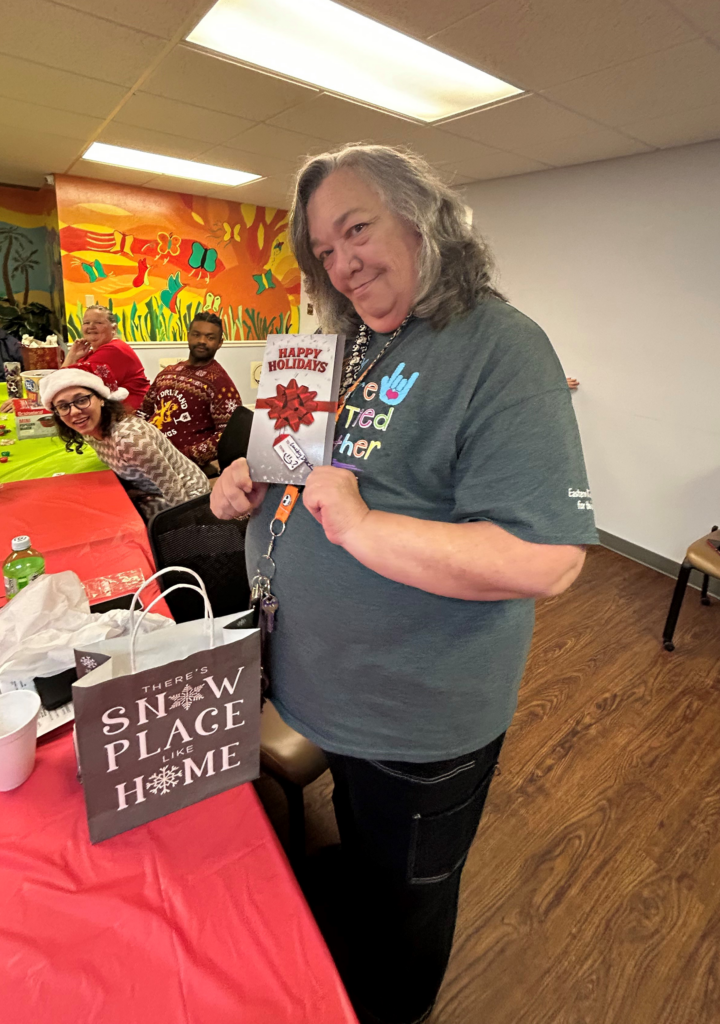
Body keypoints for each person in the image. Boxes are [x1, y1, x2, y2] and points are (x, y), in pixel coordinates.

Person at [210, 145, 599, 1024]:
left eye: (358, 229)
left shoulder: (500, 346)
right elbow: (290, 471)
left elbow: (547, 560)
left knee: (409, 901)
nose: (342, 263)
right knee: (364, 852)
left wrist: (361, 525)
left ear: (425, 222)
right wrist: (243, 480)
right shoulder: (333, 347)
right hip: (317, 689)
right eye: (325, 249)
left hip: (416, 721)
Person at [40, 366, 209, 522]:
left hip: (189, 496)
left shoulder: (130, 440)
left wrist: (187, 527)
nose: (75, 411)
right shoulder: (91, 431)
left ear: (101, 399)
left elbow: (173, 487)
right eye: (63, 406)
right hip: (149, 490)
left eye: (82, 400)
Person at [139, 312, 242, 468]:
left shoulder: (221, 384)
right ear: (188, 336)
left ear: (220, 343)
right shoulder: (167, 372)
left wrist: (182, 457)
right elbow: (143, 412)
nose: (202, 341)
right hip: (145, 454)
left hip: (183, 467)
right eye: (196, 335)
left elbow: (229, 434)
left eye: (210, 337)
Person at [62, 304, 150, 410]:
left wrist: (71, 358)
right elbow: (61, 382)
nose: (91, 326)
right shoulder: (91, 353)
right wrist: (72, 356)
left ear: (114, 328)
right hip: (112, 411)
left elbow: (64, 382)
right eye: (86, 323)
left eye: (98, 322)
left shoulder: (114, 350)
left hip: (130, 415)